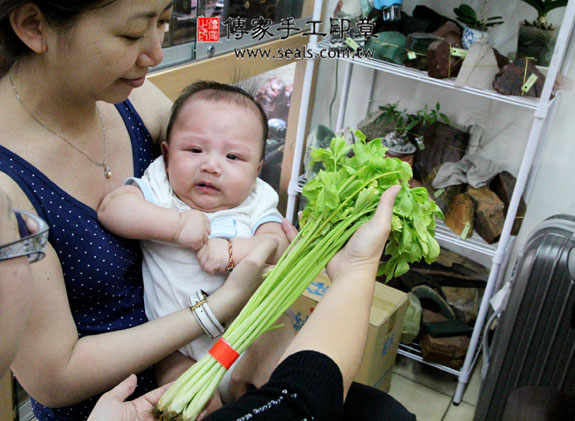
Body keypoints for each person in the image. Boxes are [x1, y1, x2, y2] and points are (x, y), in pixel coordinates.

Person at [0, 1, 415, 419]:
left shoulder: (129, 92)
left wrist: (259, 243)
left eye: (162, 22)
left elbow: (231, 167)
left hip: (235, 348)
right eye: (131, 34)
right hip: (120, 402)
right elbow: (55, 378)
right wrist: (219, 306)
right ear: (34, 27)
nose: (156, 53)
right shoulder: (8, 185)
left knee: (385, 412)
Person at [0, 184, 415, 420]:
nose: (35, 235)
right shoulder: (160, 185)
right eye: (22, 237)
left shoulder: (256, 199)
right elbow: (302, 400)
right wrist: (359, 266)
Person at [96, 80, 291, 397]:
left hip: (243, 338)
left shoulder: (256, 200)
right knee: (185, 398)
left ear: (257, 170)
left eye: (233, 157)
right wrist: (175, 226)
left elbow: (278, 244)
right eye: (195, 150)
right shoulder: (160, 184)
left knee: (273, 375)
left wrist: (231, 252)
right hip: (175, 346)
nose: (211, 166)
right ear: (167, 154)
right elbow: (112, 209)